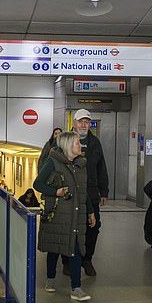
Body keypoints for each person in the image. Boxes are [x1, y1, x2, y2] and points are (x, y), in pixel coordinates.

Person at [33, 131, 96, 301]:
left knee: (75, 250)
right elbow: (37, 184)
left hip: (76, 215)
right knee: (55, 248)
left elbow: (83, 193)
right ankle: (50, 279)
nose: (80, 146)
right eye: (76, 143)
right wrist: (56, 192)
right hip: (58, 214)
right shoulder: (52, 163)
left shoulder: (81, 165)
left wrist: (90, 211)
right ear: (68, 146)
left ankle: (76, 288)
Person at [66, 108, 108, 277]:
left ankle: (87, 259)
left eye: (87, 122)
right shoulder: (65, 140)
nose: (84, 124)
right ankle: (67, 261)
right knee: (69, 227)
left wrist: (104, 191)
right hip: (70, 193)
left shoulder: (95, 142)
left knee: (93, 227)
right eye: (81, 121)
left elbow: (101, 167)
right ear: (74, 123)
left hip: (90, 193)